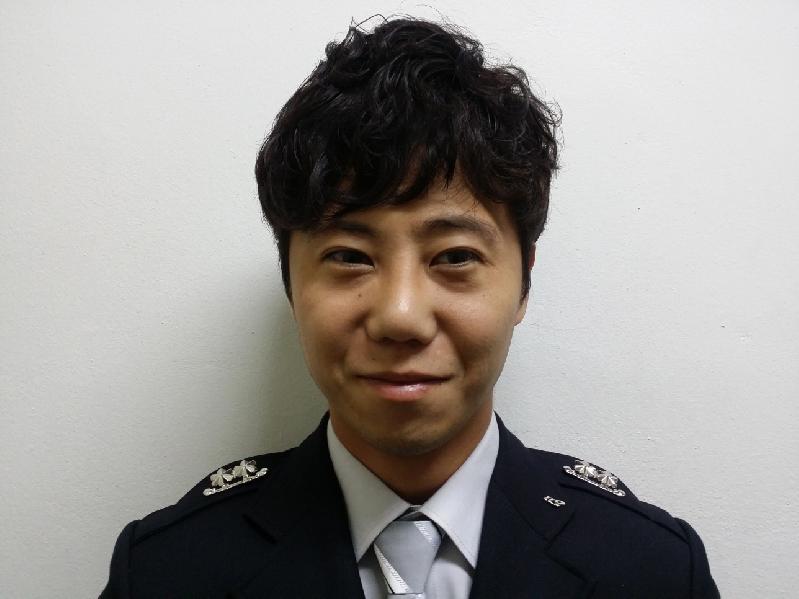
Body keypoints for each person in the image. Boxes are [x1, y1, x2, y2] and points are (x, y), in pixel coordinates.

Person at [100, 17, 719, 598]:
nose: (400, 316)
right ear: (292, 282)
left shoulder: (652, 569)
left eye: (455, 257)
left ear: (524, 283)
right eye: (350, 256)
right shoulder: (164, 572)